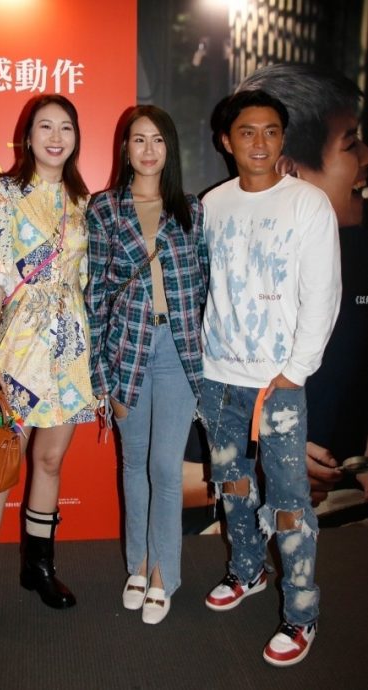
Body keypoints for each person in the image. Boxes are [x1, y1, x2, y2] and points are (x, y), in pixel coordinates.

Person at [198, 89, 341, 666]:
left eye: (271, 131)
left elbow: (323, 294)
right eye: (247, 132)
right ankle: (247, 570)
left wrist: (294, 372)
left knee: (287, 501)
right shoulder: (212, 204)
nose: (260, 143)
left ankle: (302, 613)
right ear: (226, 141)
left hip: (276, 383)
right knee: (231, 484)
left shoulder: (307, 203)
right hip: (217, 376)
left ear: (283, 138)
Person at [0, 94, 96, 652]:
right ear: (28, 136)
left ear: (76, 138)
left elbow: (86, 281)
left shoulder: (84, 201)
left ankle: (39, 568)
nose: (56, 137)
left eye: (66, 128)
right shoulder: (3, 193)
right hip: (18, 345)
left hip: (70, 348)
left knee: (50, 461)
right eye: (45, 127)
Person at [85, 105, 208, 624]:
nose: (149, 149)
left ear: (169, 148)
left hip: (177, 352)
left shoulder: (192, 210)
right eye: (139, 139)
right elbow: (94, 296)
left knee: (165, 467)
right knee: (133, 464)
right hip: (125, 351)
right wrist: (101, 377)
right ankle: (136, 563)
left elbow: (205, 286)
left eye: (158, 139)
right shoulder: (104, 209)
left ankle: (163, 574)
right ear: (126, 148)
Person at [239, 64, 368, 509]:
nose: (366, 157)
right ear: (290, 170)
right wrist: (262, 460)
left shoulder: (359, 244)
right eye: (350, 143)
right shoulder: (218, 246)